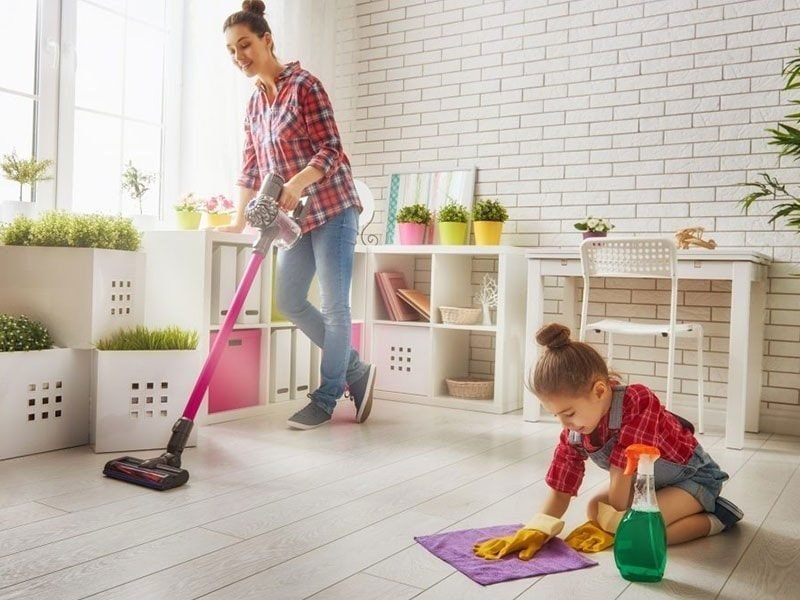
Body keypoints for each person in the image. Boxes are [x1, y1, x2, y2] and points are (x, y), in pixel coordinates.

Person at [222, 0, 375, 430]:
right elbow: (251, 166)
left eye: (246, 45)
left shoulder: (305, 84)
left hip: (333, 207)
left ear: (267, 40)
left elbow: (331, 148)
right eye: (232, 50)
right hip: (295, 220)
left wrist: (295, 184)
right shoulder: (254, 105)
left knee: (334, 307)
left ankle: (327, 398)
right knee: (289, 299)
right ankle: (356, 370)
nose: (240, 57)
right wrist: (236, 219)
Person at [474, 323, 743, 561]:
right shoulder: (575, 429)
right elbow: (561, 487)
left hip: (692, 479)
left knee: (640, 533)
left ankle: (718, 518)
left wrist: (614, 523)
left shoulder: (638, 400)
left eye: (568, 413)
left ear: (600, 390)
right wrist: (536, 529)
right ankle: (642, 518)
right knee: (594, 510)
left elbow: (623, 466)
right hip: (643, 483)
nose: (564, 424)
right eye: (556, 415)